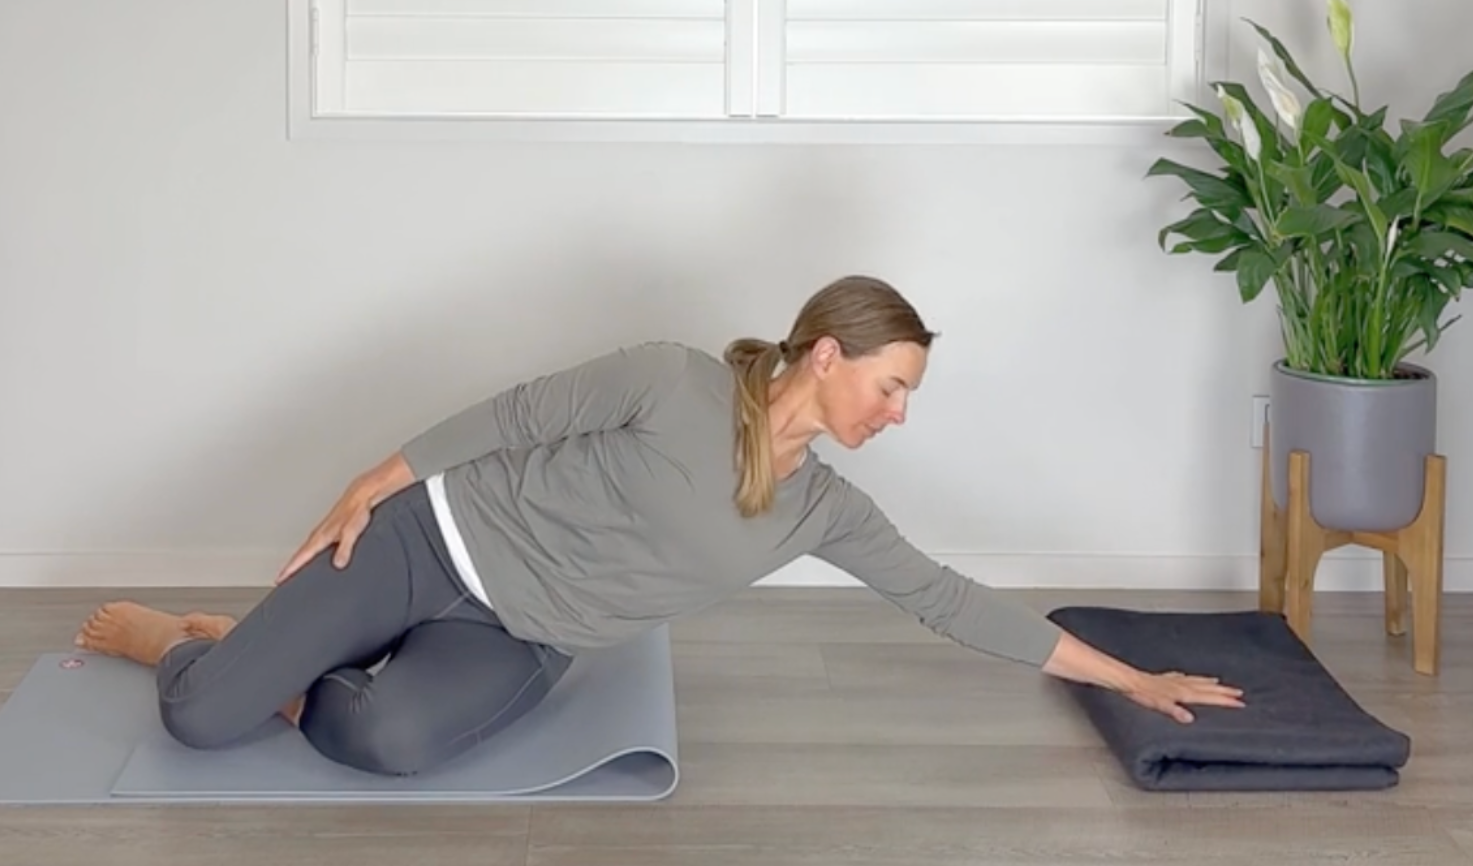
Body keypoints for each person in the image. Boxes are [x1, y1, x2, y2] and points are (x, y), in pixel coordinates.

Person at [74, 275, 1244, 777]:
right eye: (891, 386)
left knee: (388, 746)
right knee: (196, 715)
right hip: (431, 540)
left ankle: (289, 668)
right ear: (824, 355)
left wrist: (1131, 679)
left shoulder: (820, 509)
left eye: (909, 398)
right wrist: (367, 485)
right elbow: (514, 414)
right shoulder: (672, 379)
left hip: (517, 635)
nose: (897, 413)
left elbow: (947, 598)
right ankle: (195, 647)